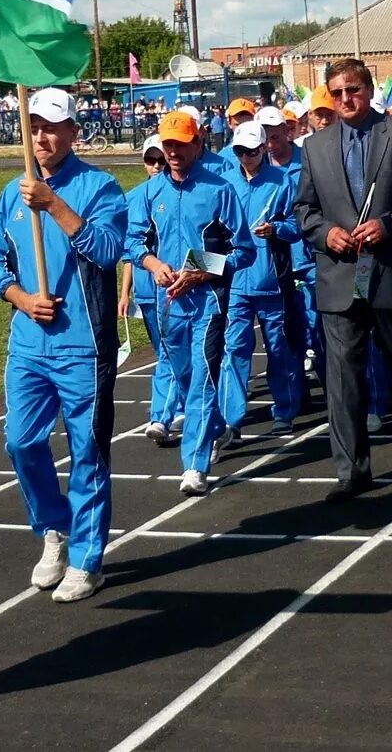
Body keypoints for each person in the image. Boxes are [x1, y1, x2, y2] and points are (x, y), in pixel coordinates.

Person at [0, 88, 127, 604]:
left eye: (51, 127)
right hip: (28, 345)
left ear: (72, 131)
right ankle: (54, 528)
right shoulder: (11, 193)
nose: (41, 137)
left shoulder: (101, 187)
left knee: (87, 450)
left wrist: (56, 206)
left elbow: (110, 252)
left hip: (83, 346)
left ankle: (89, 559)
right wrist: (21, 298)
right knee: (21, 442)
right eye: (34, 127)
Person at [294, 57, 392, 502]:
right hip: (340, 278)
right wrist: (326, 234)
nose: (345, 100)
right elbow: (304, 210)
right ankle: (353, 470)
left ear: (369, 88)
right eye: (336, 93)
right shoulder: (315, 147)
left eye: (352, 90)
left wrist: (390, 224)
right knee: (343, 377)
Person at [127, 110, 255, 495]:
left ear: (198, 143)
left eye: (181, 144)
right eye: (168, 145)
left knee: (201, 380)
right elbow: (132, 243)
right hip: (168, 306)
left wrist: (200, 269)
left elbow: (244, 251)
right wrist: (153, 264)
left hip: (209, 304)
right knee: (184, 378)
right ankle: (215, 426)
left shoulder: (220, 190)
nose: (173, 152)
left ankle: (194, 465)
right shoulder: (150, 193)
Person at [216, 120, 302, 453]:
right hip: (235, 281)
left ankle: (285, 408)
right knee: (234, 349)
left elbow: (298, 225)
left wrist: (277, 228)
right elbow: (209, 232)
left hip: (272, 280)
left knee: (279, 348)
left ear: (264, 147)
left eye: (252, 151)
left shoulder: (282, 182)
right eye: (240, 151)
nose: (247, 157)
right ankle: (231, 419)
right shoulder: (224, 183)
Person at [120, 135, 181, 444]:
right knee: (165, 351)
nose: (156, 165)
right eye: (151, 160)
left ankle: (164, 413)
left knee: (175, 352)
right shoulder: (133, 198)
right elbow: (130, 248)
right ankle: (174, 408)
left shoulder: (188, 193)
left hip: (183, 289)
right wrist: (124, 292)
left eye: (161, 159)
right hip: (148, 291)